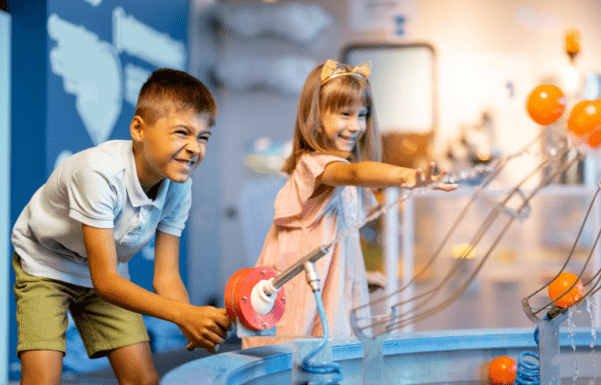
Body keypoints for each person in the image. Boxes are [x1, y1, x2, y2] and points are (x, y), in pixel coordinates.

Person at [11, 68, 231, 385]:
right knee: (42, 379)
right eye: (182, 133)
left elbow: (166, 276)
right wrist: (185, 314)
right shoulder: (99, 173)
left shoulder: (180, 188)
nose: (195, 147)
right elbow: (106, 283)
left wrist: (193, 323)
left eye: (203, 136)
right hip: (45, 264)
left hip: (106, 268)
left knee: (143, 379)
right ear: (138, 129)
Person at [242, 60, 457, 349]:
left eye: (362, 114)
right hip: (298, 298)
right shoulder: (315, 166)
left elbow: (333, 242)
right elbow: (355, 174)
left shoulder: (346, 181)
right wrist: (406, 175)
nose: (355, 125)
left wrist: (356, 273)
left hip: (327, 297)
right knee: (294, 354)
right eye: (345, 114)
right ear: (315, 116)